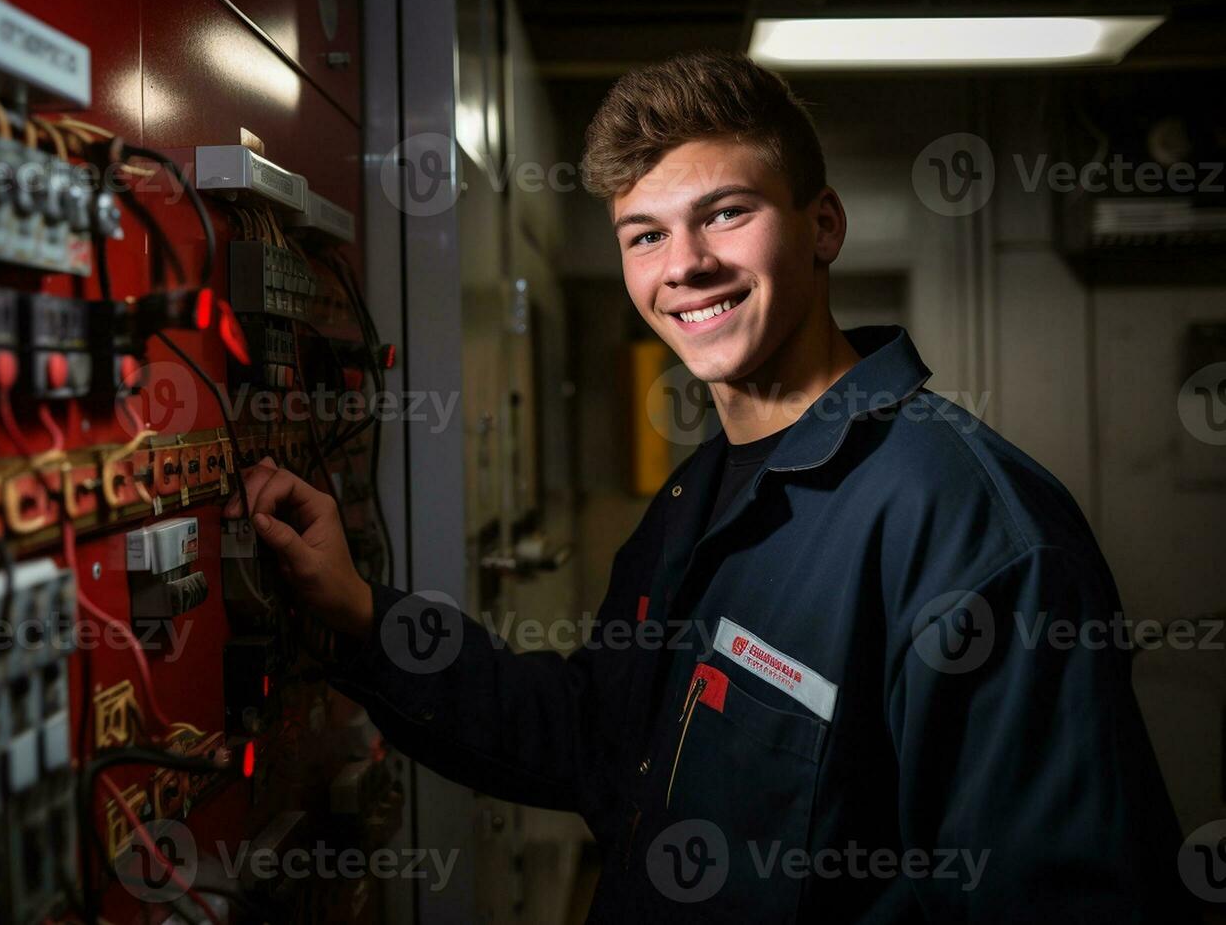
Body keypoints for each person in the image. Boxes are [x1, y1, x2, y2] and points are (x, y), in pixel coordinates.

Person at [240, 50, 1191, 922]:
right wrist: (362, 613)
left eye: (727, 213)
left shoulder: (977, 532)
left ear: (823, 226)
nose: (684, 266)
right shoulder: (700, 495)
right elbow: (592, 737)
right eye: (643, 235)